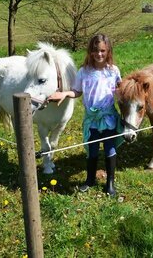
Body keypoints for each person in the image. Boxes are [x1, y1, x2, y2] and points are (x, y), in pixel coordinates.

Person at [48, 34, 123, 196]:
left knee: (110, 149)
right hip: (91, 120)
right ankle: (90, 179)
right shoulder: (84, 72)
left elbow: (119, 89)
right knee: (92, 150)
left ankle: (110, 183)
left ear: (108, 51)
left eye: (103, 50)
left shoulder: (113, 71)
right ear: (90, 51)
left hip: (109, 118)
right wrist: (65, 94)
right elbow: (77, 91)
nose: (99, 54)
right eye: (95, 50)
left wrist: (122, 93)